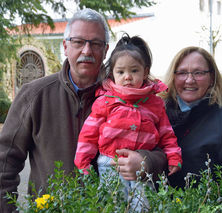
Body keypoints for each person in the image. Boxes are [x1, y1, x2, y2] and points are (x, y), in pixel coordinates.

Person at [0, 9, 167, 212]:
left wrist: (146, 162)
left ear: (105, 51)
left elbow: (165, 149)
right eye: (78, 42)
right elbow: (5, 162)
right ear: (65, 46)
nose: (87, 51)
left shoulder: (138, 98)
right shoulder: (34, 96)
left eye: (95, 44)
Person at [74, 34, 182, 210]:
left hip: (142, 164)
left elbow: (167, 134)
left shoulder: (154, 103)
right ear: (112, 74)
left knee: (143, 205)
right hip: (110, 162)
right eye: (121, 72)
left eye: (134, 71)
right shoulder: (106, 101)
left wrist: (173, 157)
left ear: (145, 72)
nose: (127, 77)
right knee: (113, 204)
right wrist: (83, 163)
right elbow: (88, 135)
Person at [162, 46, 222, 189]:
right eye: (182, 73)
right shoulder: (158, 117)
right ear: (173, 77)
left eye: (198, 73)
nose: (189, 80)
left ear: (212, 77)